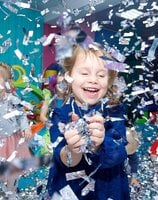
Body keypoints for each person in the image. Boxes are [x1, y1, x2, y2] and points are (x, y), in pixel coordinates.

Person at [46, 43, 130, 199]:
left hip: (107, 189)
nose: (93, 80)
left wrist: (100, 144)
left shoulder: (114, 110)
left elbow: (119, 153)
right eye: (84, 73)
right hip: (71, 190)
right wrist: (73, 150)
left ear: (109, 81)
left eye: (101, 75)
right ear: (69, 76)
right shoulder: (60, 113)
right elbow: (61, 157)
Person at [0, 62, 33, 196]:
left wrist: (26, 128)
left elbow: (21, 115)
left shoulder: (11, 99)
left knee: (11, 172)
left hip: (10, 142)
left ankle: (11, 193)